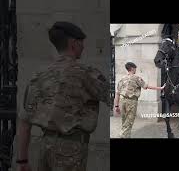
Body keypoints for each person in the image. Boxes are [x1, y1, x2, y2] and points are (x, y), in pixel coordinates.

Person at [16, 21, 109, 171]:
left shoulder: (39, 76)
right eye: (81, 43)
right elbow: (112, 95)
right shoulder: (86, 73)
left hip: (45, 148)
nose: (83, 47)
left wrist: (22, 160)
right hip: (71, 151)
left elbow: (24, 121)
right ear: (73, 44)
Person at [113, 62, 165, 138]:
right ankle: (122, 136)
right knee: (129, 123)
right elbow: (147, 86)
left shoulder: (122, 79)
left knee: (124, 122)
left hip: (122, 101)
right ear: (132, 69)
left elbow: (117, 93)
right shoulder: (136, 78)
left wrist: (116, 106)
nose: (135, 70)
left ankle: (126, 136)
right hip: (131, 102)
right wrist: (160, 88)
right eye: (135, 68)